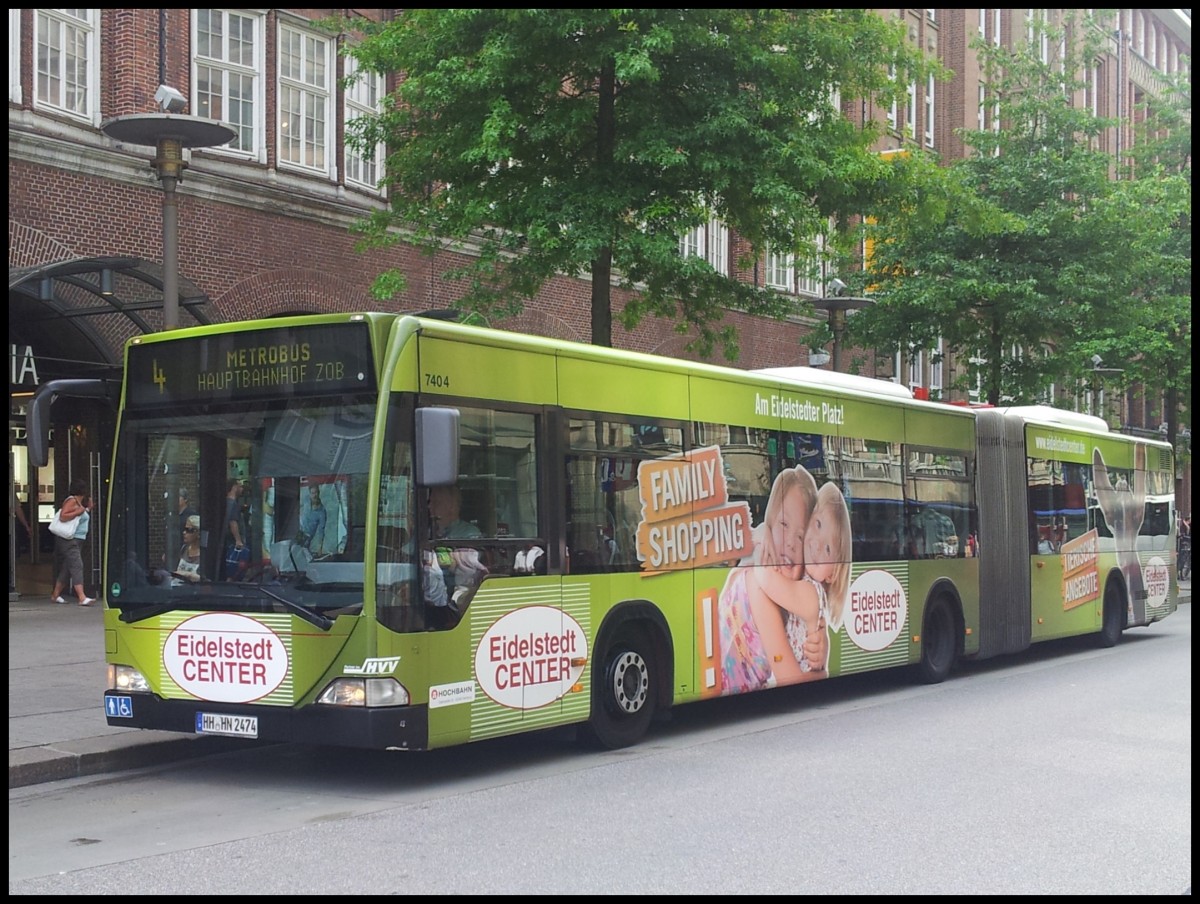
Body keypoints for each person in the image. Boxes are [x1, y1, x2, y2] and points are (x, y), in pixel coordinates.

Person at [717, 466, 828, 693]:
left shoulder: (789, 589)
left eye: (801, 536)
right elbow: (792, 682)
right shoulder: (759, 586)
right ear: (768, 526)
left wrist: (820, 646)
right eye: (784, 525)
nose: (790, 543)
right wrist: (823, 672)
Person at [750, 479, 851, 686]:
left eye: (829, 549)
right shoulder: (804, 581)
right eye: (818, 525)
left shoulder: (811, 594)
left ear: (831, 575)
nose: (817, 544)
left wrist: (761, 536)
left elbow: (766, 578)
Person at [1093, 446, 1147, 622]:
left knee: (1138, 610)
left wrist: (1139, 447)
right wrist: (1097, 458)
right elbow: (1102, 485)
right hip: (1126, 564)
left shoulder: (1132, 517)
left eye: (1125, 488)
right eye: (1119, 488)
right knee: (1137, 608)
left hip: (1130, 564)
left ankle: (1135, 615)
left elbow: (1140, 475)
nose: (1122, 485)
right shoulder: (1117, 518)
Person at [50, 478, 94, 606]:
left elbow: (79, 518)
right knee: (77, 565)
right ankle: (82, 597)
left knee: (67, 568)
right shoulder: (72, 500)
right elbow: (63, 516)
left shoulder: (79, 503)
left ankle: (55, 595)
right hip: (70, 539)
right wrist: (78, 511)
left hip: (77, 540)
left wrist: (87, 509)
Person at [157, 514, 205, 586]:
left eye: (189, 530)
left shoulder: (205, 554)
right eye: (184, 529)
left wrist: (188, 575)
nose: (184, 533)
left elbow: (205, 580)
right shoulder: (183, 548)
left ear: (198, 533)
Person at [223, 478, 249, 581]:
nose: (242, 488)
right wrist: (238, 540)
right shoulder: (233, 503)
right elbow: (233, 522)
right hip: (233, 543)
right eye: (240, 486)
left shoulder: (226, 502)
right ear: (234, 487)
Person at [299, 483, 328, 556]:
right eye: (312, 493)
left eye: (316, 493)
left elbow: (321, 531)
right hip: (299, 530)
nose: (314, 495)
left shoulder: (322, 512)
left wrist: (320, 549)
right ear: (310, 494)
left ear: (319, 493)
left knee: (302, 555)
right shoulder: (306, 500)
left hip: (307, 536)